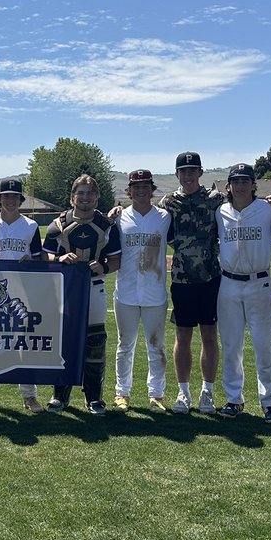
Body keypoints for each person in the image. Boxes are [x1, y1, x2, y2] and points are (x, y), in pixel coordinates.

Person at [214, 163, 271, 422]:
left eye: (246, 181)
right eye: (236, 181)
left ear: (253, 184)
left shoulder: (269, 210)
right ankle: (234, 399)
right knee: (231, 345)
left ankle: (269, 402)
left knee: (263, 346)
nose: (241, 185)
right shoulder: (220, 212)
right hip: (229, 284)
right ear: (228, 185)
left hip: (260, 283)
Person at [43, 174, 121, 415]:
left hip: (94, 287)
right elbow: (43, 256)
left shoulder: (107, 226)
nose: (85, 198)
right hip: (64, 290)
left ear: (97, 197)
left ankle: (94, 397)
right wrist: (59, 258)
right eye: (81, 193)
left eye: (90, 193)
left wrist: (104, 267)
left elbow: (116, 259)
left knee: (95, 342)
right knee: (63, 340)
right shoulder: (58, 225)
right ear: (72, 197)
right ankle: (59, 396)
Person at [0, 177, 49, 413]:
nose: (10, 201)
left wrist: (31, 261)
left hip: (21, 293)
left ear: (20, 200)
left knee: (23, 344)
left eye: (15, 197)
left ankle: (29, 395)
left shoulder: (31, 226)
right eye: (6, 196)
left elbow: (40, 260)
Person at [159, 151, 225, 415]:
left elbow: (241, 209)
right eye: (183, 171)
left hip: (210, 277)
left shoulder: (215, 199)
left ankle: (207, 392)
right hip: (182, 278)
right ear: (177, 174)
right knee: (182, 336)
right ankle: (183, 392)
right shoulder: (168, 203)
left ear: (200, 172)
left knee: (210, 335)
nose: (187, 175)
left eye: (192, 170)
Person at [111, 170, 173, 413]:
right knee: (125, 345)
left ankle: (156, 393)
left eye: (145, 186)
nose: (140, 191)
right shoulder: (119, 217)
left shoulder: (165, 217)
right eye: (135, 187)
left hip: (154, 291)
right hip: (125, 290)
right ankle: (121, 392)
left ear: (152, 189)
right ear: (129, 191)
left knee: (156, 345)